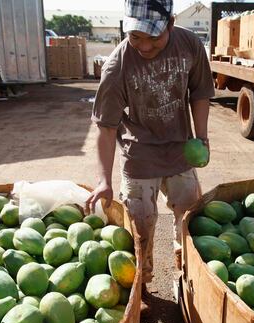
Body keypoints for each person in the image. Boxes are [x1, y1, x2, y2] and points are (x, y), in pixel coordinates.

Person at [85, 0, 215, 294]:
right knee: (140, 229)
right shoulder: (117, 65)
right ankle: (140, 286)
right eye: (135, 36)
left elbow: (200, 92)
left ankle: (186, 277)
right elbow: (106, 128)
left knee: (190, 219)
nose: (143, 46)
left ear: (170, 23)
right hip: (139, 156)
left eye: (153, 37)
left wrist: (202, 137)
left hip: (181, 152)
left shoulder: (189, 45)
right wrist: (103, 180)